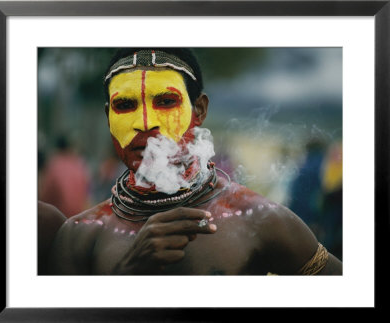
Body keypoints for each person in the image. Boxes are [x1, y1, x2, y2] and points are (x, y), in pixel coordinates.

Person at [48, 48, 342, 275]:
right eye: (125, 105)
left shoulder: (259, 219)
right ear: (108, 118)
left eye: (165, 101)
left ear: (198, 110)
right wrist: (127, 273)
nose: (144, 123)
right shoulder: (80, 235)